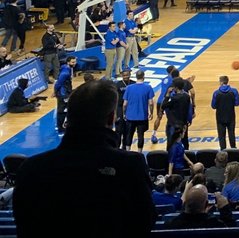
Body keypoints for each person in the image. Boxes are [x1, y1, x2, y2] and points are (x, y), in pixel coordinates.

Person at [14, 79, 157, 233]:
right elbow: (145, 222)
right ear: (111, 118)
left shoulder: (31, 169)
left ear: (69, 117)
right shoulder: (130, 165)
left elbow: (24, 225)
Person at [165, 184, 235, 228]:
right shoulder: (215, 225)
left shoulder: (170, 225)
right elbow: (230, 232)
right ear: (206, 204)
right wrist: (225, 209)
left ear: (185, 203)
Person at [122, 69, 156, 151]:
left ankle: (127, 152)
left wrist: (124, 113)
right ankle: (139, 153)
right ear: (143, 77)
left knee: (129, 135)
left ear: (136, 76)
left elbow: (124, 104)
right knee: (141, 135)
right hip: (142, 116)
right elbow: (151, 103)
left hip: (130, 116)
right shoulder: (148, 87)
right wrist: (151, 113)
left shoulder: (129, 88)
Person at [211, 75, 239, 149]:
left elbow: (213, 106)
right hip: (231, 116)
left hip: (220, 117)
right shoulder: (234, 91)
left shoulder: (216, 93)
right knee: (231, 134)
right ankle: (234, 150)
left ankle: (223, 151)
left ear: (221, 82)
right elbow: (237, 103)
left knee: (221, 136)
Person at [54, 54, 77, 133]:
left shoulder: (68, 69)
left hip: (66, 92)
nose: (74, 63)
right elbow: (59, 83)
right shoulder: (65, 73)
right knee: (62, 110)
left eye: (75, 62)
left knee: (67, 109)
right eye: (72, 62)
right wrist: (55, 92)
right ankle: (60, 128)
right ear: (68, 62)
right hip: (63, 94)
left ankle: (64, 124)